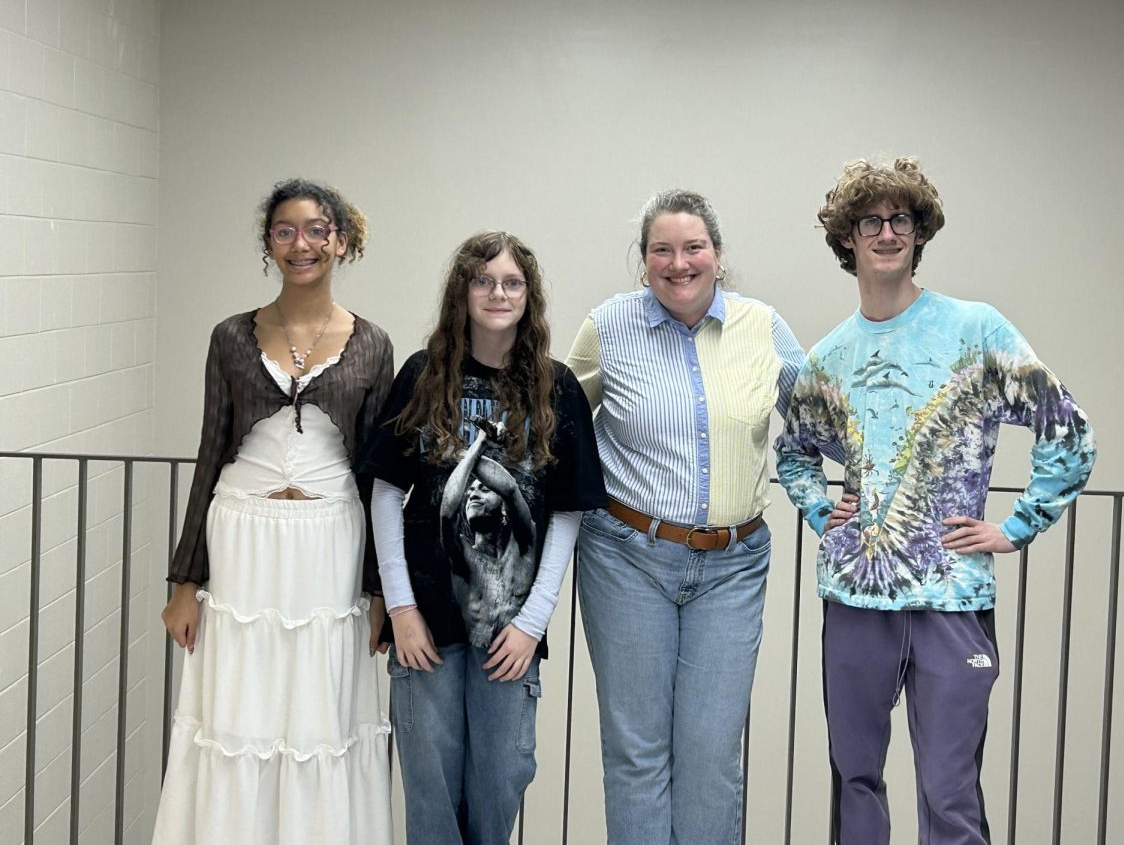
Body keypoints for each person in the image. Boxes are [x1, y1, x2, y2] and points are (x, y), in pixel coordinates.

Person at [775, 158, 1097, 844]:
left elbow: (1067, 429)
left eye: (902, 220)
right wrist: (818, 513)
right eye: (872, 221)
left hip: (951, 598)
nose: (888, 232)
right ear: (847, 239)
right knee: (855, 781)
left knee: (949, 794)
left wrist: (1017, 525)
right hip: (856, 599)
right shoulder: (826, 360)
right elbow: (793, 452)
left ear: (919, 234)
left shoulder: (974, 329)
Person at [153, 180, 394, 845]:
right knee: (239, 712)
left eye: (317, 230)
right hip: (243, 543)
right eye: (285, 231)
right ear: (268, 245)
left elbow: (376, 479)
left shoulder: (373, 344)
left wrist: (379, 591)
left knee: (321, 718)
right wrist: (184, 583)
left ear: (341, 241)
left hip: (330, 546)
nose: (302, 244)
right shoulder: (230, 336)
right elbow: (208, 455)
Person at [565, 189, 806, 845]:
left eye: (693, 247)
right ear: (643, 264)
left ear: (718, 256)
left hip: (733, 569)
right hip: (624, 559)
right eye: (662, 250)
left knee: (711, 757)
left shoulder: (762, 326)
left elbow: (826, 423)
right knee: (637, 754)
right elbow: (552, 429)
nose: (679, 263)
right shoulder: (608, 327)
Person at [356, 231, 606, 845]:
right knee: (431, 790)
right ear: (462, 292)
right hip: (427, 627)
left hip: (509, 633)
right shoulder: (422, 376)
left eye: (512, 282)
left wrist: (533, 622)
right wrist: (402, 609)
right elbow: (386, 492)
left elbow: (567, 515)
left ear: (529, 296)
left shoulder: (556, 389)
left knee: (501, 780)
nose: (498, 293)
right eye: (484, 280)